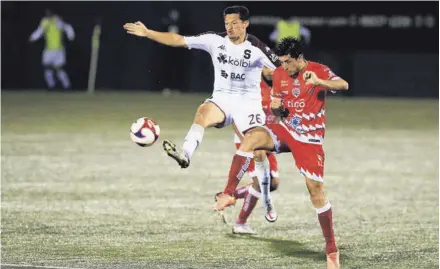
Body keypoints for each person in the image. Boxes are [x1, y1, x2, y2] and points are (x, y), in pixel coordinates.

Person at [214, 37, 348, 269]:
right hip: (285, 129)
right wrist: (278, 107)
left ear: (299, 58)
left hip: (309, 139)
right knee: (252, 139)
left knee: (315, 192)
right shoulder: (278, 74)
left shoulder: (318, 70)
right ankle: (228, 193)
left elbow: (344, 85)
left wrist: (319, 82)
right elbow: (279, 107)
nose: (284, 66)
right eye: (282, 62)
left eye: (288, 62)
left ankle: (331, 250)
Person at [123, 6, 280, 171]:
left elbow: (284, 70)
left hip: (248, 104)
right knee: (202, 113)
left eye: (234, 23)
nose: (229, 27)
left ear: (245, 23)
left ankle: (264, 187)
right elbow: (179, 40)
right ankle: (185, 154)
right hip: (222, 99)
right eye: (227, 23)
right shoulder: (214, 40)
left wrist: (283, 94)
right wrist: (148, 33)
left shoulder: (257, 47)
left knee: (259, 153)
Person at [221, 78, 281, 234]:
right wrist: (245, 141)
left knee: (273, 183)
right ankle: (240, 223)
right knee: (259, 183)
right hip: (249, 140)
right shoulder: (251, 86)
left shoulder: (280, 84)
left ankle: (229, 195)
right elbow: (233, 115)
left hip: (268, 140)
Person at [29, 9, 75, 89]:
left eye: (49, 12)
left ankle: (67, 86)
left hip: (59, 49)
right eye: (46, 12)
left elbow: (67, 27)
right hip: (48, 50)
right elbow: (39, 31)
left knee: (59, 69)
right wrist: (32, 38)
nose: (48, 13)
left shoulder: (58, 21)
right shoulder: (45, 22)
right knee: (47, 68)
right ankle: (52, 86)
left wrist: (71, 36)